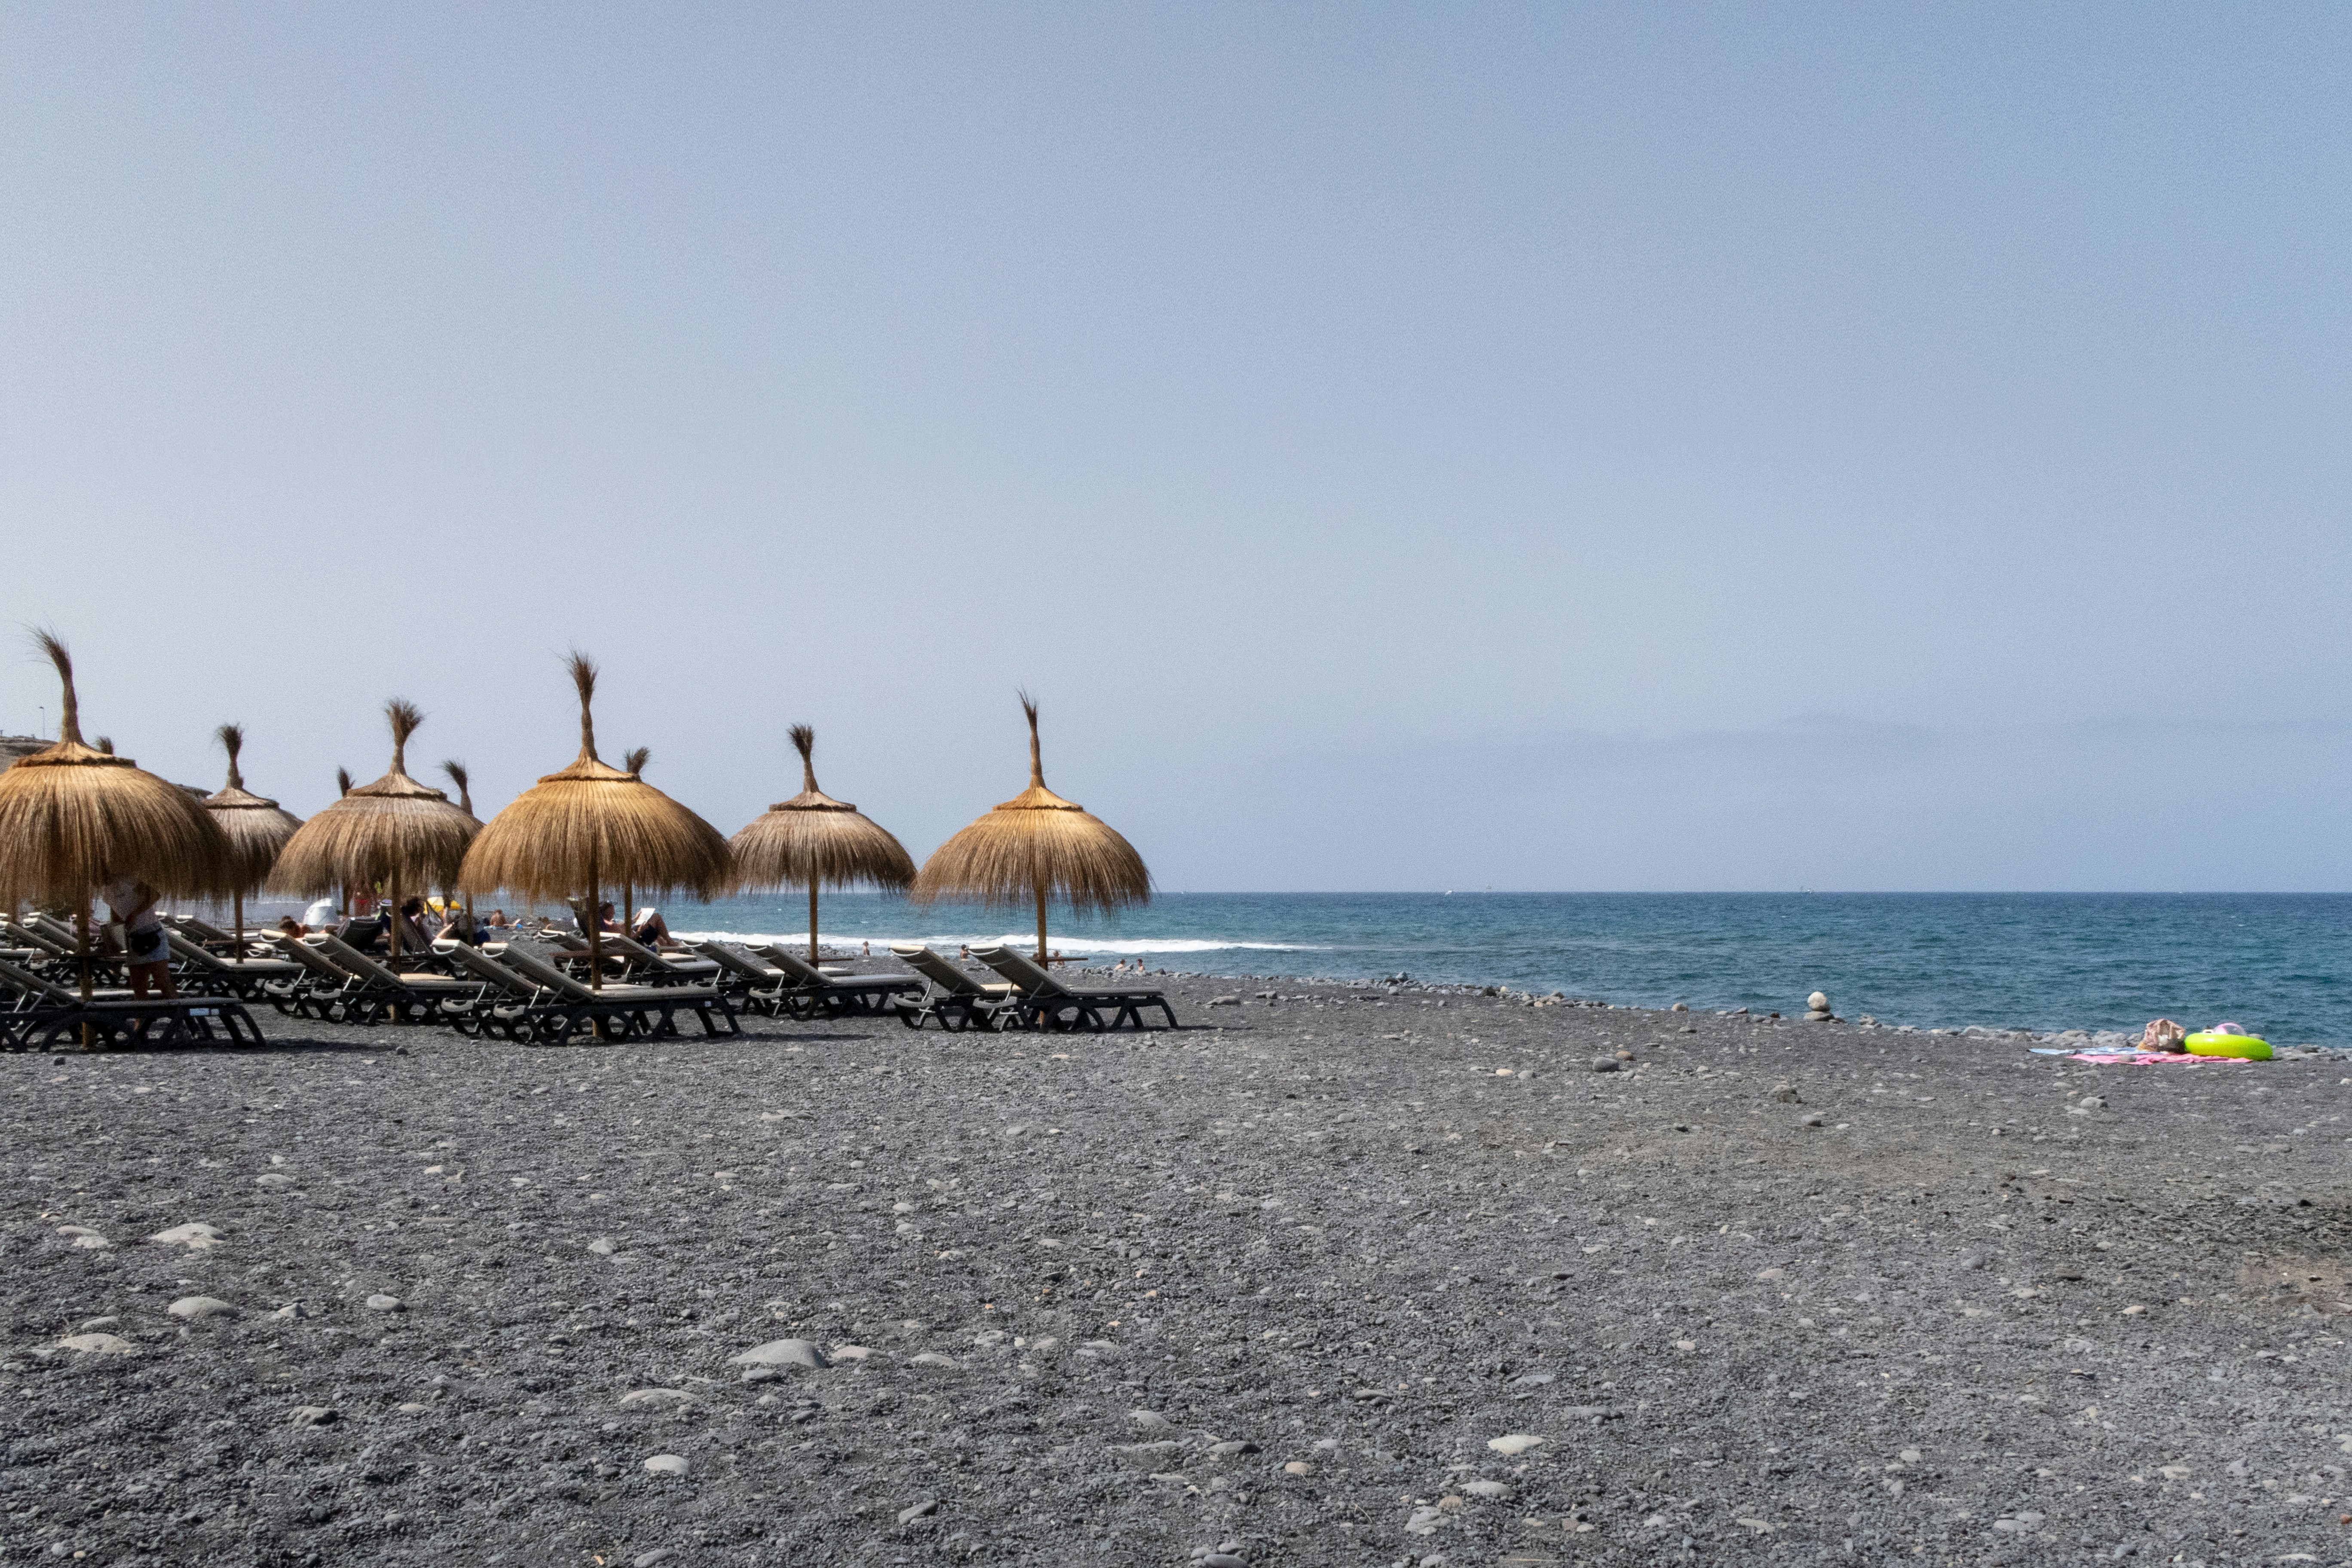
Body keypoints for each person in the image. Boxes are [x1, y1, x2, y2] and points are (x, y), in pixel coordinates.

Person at [101, 876, 177, 1003]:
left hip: (151, 934)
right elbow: (116, 915)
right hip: (133, 939)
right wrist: (114, 934)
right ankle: (141, 1021)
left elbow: (153, 895)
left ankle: (179, 1016)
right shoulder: (107, 893)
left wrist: (134, 914)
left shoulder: (129, 881)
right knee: (138, 986)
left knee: (162, 981)